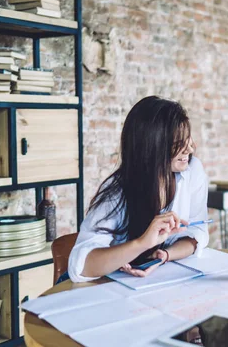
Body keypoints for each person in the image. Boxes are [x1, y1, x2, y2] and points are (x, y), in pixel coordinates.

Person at [68, 96, 209, 283]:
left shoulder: (192, 171)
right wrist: (142, 243)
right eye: (178, 143)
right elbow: (80, 265)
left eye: (188, 139)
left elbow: (198, 231)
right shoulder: (118, 191)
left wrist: (164, 255)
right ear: (152, 146)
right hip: (107, 287)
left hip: (154, 281)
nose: (190, 149)